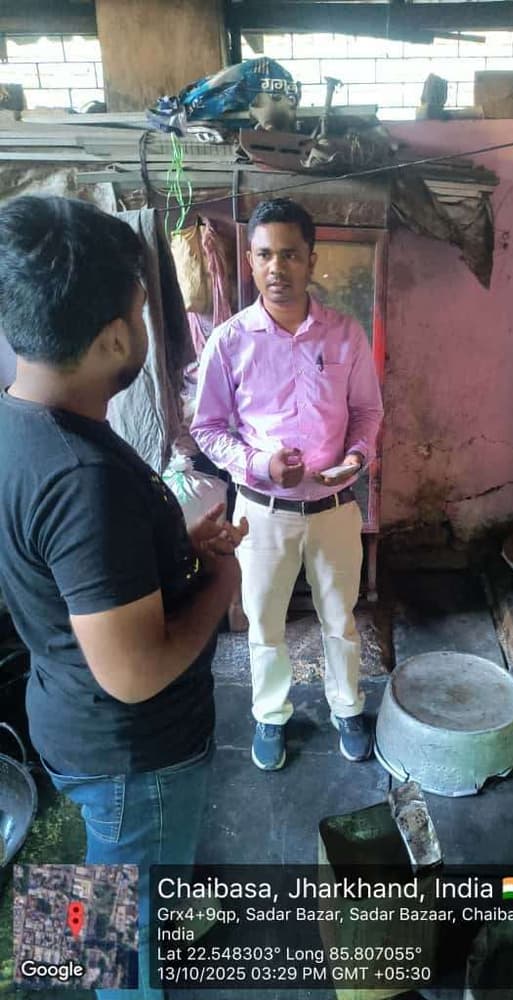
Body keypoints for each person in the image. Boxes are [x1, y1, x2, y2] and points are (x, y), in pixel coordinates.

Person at [0, 194, 247, 999]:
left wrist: (170, 551)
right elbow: (133, 674)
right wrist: (221, 582)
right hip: (134, 754)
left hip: (67, 715)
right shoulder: (83, 478)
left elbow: (70, 573)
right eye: (141, 312)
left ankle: (106, 926)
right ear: (112, 338)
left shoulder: (19, 423)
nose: (145, 327)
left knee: (110, 866)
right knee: (126, 941)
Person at [191, 197, 383, 772]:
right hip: (262, 512)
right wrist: (259, 465)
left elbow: (367, 412)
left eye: (290, 255)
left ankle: (347, 707)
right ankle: (271, 715)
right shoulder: (229, 341)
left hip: (334, 507)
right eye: (265, 255)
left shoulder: (345, 335)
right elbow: (207, 428)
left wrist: (356, 456)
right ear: (251, 261)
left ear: (311, 260)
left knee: (340, 619)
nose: (278, 267)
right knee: (265, 623)